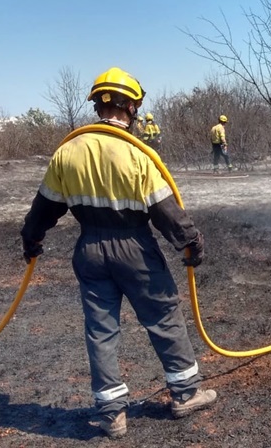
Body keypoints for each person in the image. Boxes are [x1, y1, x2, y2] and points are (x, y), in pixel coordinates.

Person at [20, 67, 217, 439]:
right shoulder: (137, 154)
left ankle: (112, 414)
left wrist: (31, 239)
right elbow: (164, 209)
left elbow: (44, 208)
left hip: (90, 249)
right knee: (162, 315)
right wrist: (190, 241)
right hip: (135, 248)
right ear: (130, 106)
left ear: (98, 105)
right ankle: (186, 393)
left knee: (100, 329)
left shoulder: (67, 152)